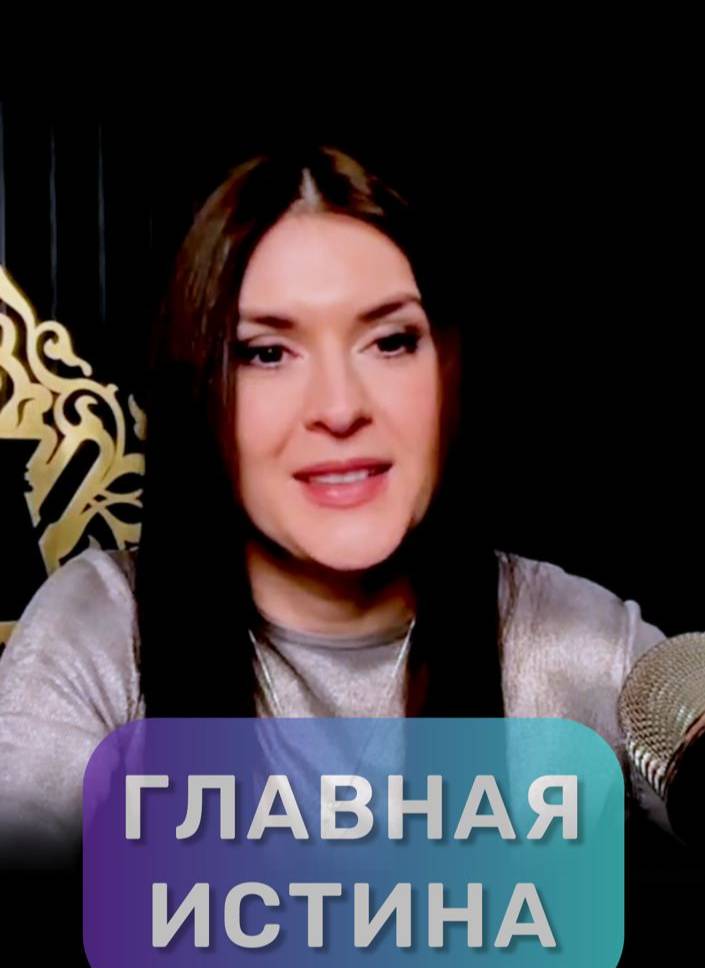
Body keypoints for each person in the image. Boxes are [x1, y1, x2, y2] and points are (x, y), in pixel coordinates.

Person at [0, 143, 671, 856]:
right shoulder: (103, 633)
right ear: (200, 387)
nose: (340, 407)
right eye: (267, 353)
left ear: (448, 370)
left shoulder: (581, 645)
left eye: (390, 341)